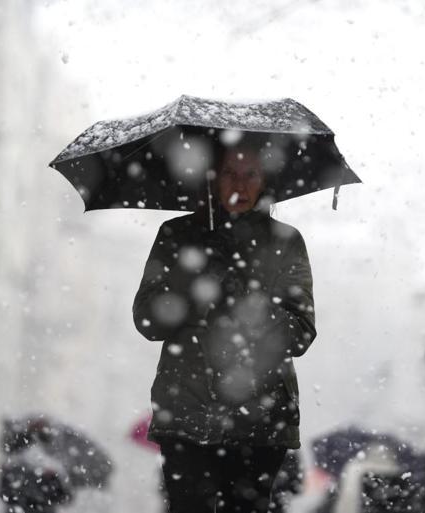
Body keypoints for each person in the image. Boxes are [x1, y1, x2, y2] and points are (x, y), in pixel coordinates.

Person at [133, 135, 317, 513]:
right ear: (212, 178)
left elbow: (299, 333)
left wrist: (252, 297)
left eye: (251, 174)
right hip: (186, 415)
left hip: (260, 423)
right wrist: (195, 283)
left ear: (266, 180)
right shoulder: (177, 235)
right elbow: (148, 319)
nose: (240, 184)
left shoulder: (285, 242)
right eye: (230, 173)